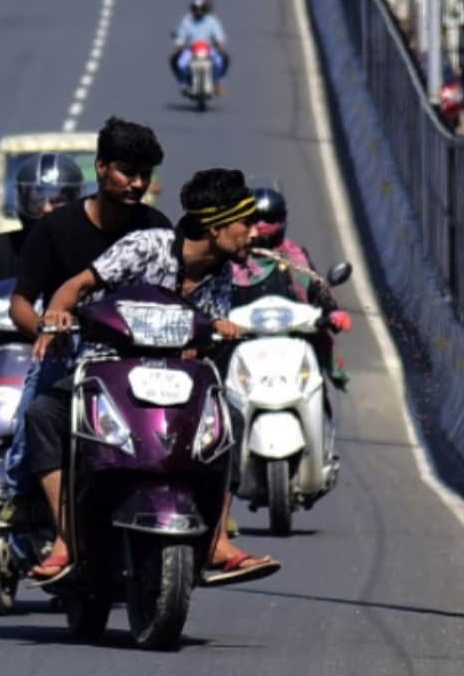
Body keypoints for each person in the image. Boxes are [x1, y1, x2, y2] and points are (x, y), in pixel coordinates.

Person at [25, 168, 280, 587]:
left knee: (229, 422)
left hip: (175, 379)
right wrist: (56, 314)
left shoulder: (222, 276)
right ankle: (67, 537)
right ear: (216, 227)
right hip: (107, 366)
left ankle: (215, 539)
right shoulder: (146, 247)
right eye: (246, 223)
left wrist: (218, 332)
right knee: (44, 414)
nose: (255, 232)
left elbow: (198, 345)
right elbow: (77, 286)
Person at [5, 118, 171, 495]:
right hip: (70, 357)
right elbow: (20, 302)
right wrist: (48, 331)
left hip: (141, 360)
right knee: (35, 419)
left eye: (145, 175)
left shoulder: (158, 228)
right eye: (127, 172)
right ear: (101, 167)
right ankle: (26, 505)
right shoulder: (55, 228)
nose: (137, 184)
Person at [231, 187, 351, 386]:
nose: (262, 226)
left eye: (270, 220)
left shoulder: (295, 256)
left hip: (292, 343)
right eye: (255, 220)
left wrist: (333, 314)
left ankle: (322, 410)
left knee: (317, 362)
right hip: (241, 345)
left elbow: (316, 289)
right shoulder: (230, 260)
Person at [0, 153, 86, 286]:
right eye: (38, 200)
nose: (46, 208)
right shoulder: (5, 248)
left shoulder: (92, 246)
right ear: (24, 200)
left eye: (56, 200)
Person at [171, 0, 229, 92]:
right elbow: (180, 37)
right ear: (192, 10)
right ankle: (184, 82)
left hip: (208, 49)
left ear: (204, 10)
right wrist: (179, 45)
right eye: (196, 9)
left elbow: (219, 35)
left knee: (220, 61)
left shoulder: (212, 21)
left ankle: (218, 83)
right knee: (180, 64)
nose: (198, 12)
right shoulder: (187, 22)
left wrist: (220, 44)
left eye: (201, 9)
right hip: (191, 50)